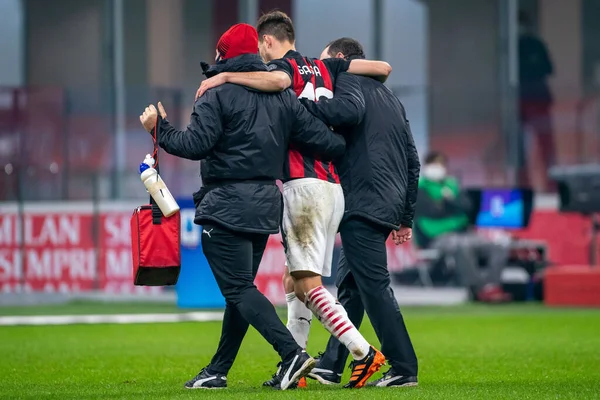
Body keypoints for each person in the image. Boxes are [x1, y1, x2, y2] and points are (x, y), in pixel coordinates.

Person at [139, 23, 346, 391]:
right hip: (266, 203)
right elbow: (323, 141)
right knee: (240, 292)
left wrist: (160, 128)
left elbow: (194, 145)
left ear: (222, 57)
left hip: (227, 203)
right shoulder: (284, 97)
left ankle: (291, 354)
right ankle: (217, 370)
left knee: (237, 291)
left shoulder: (215, 93)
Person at [195, 11, 390, 389]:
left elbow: (280, 80)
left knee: (306, 283)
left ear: (268, 42)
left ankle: (363, 352)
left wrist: (225, 75)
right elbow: (382, 68)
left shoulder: (281, 71)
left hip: (304, 186)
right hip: (334, 187)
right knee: (291, 278)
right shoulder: (327, 65)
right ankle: (296, 371)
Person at [300, 37, 420, 388]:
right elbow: (412, 160)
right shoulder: (391, 98)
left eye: (326, 65)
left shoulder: (347, 81)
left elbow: (346, 113)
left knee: (374, 286)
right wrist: (405, 215)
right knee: (351, 285)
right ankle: (333, 363)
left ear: (340, 59)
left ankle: (403, 366)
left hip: (362, 199)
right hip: (386, 200)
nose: (323, 74)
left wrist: (306, 106)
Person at [414, 151, 511, 302]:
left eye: (440, 164)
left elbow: (468, 207)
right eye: (434, 164)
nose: (437, 168)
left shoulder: (452, 185)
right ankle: (477, 289)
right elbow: (432, 211)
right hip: (435, 237)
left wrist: (449, 202)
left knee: (498, 246)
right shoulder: (419, 188)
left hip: (463, 233)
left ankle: (492, 287)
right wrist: (451, 205)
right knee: (463, 246)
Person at [518, 11, 555, 191]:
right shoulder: (509, 48)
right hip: (518, 101)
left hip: (538, 99)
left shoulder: (535, 45)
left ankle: (552, 183)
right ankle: (523, 185)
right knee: (518, 147)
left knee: (545, 144)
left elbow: (548, 68)